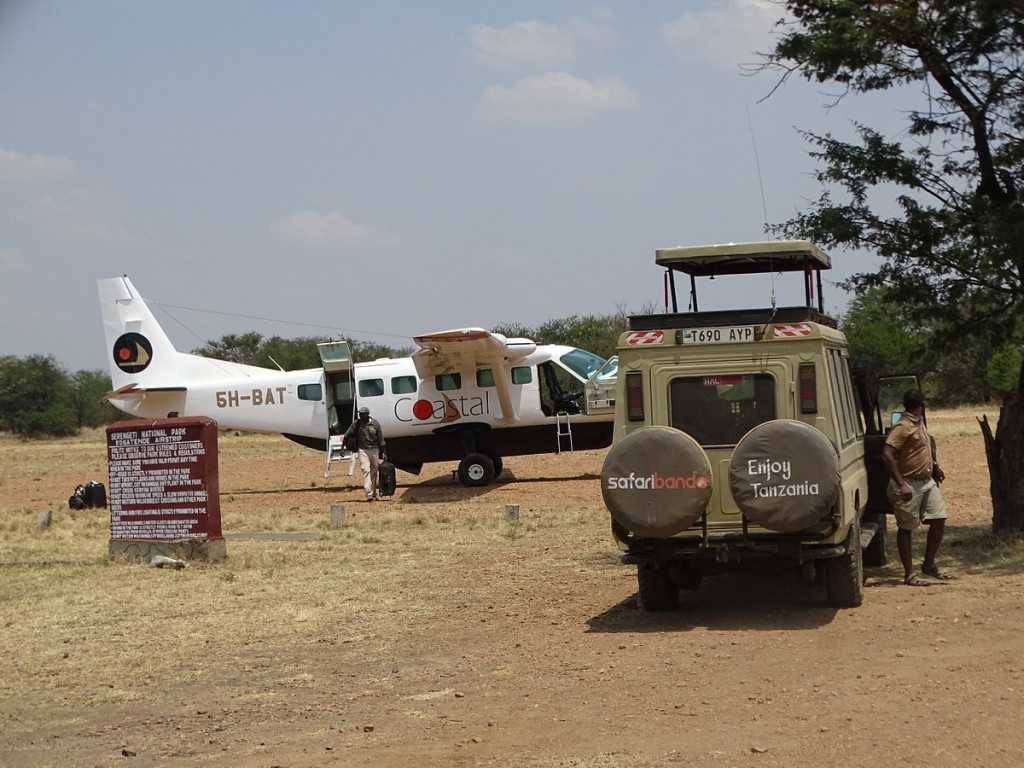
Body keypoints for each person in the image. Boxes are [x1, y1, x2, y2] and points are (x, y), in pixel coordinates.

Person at [882, 389, 951, 585]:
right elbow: (887, 454)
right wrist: (901, 484)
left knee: (939, 518)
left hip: (927, 482)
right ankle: (909, 574)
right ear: (921, 405)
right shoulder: (903, 426)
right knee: (906, 528)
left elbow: (922, 449)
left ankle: (929, 564)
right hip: (908, 483)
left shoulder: (919, 423)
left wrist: (935, 467)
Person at [344, 406, 387, 502]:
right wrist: (344, 448)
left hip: (375, 450)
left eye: (362, 414)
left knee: (374, 472)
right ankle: (369, 494)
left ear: (367, 414)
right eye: (359, 414)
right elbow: (347, 435)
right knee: (366, 470)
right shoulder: (357, 424)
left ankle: (374, 493)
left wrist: (383, 453)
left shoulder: (375, 424)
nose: (360, 415)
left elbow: (381, 440)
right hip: (362, 450)